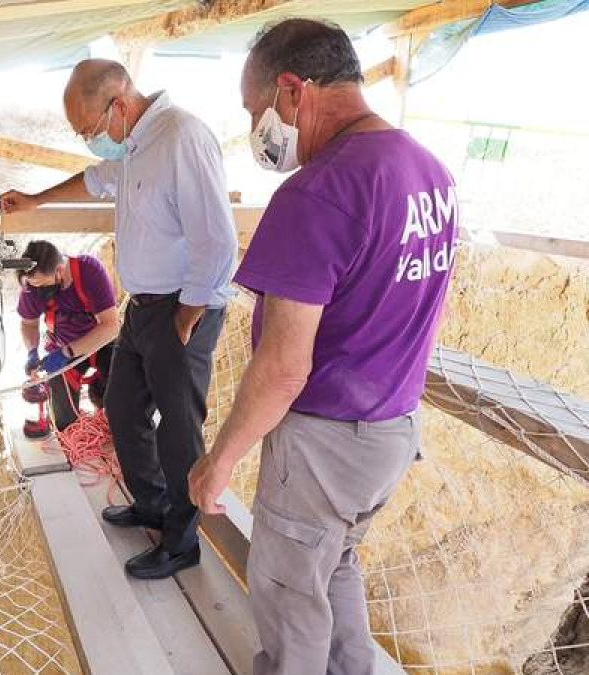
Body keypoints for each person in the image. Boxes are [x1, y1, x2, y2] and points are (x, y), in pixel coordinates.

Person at [187, 19, 458, 675]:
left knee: (287, 600)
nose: (258, 128)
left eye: (255, 111)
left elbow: (282, 368)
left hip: (324, 444)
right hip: (391, 427)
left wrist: (218, 459)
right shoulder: (428, 170)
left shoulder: (318, 192)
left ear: (291, 90)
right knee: (333, 565)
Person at [2, 59, 237, 580]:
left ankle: (181, 541)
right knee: (122, 405)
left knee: (179, 430)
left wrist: (187, 316)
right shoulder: (132, 146)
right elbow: (93, 179)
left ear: (119, 104)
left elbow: (219, 242)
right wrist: (35, 201)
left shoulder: (182, 137)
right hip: (144, 307)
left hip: (182, 308)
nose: (90, 140)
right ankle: (151, 506)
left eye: (89, 129)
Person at [17, 240, 119, 431]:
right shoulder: (31, 284)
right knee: (64, 422)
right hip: (61, 347)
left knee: (120, 399)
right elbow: (28, 324)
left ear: (59, 271)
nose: (36, 289)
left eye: (42, 284)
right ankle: (72, 443)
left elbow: (111, 326)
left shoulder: (89, 271)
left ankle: (111, 428)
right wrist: (32, 352)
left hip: (101, 343)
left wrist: (67, 352)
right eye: (33, 284)